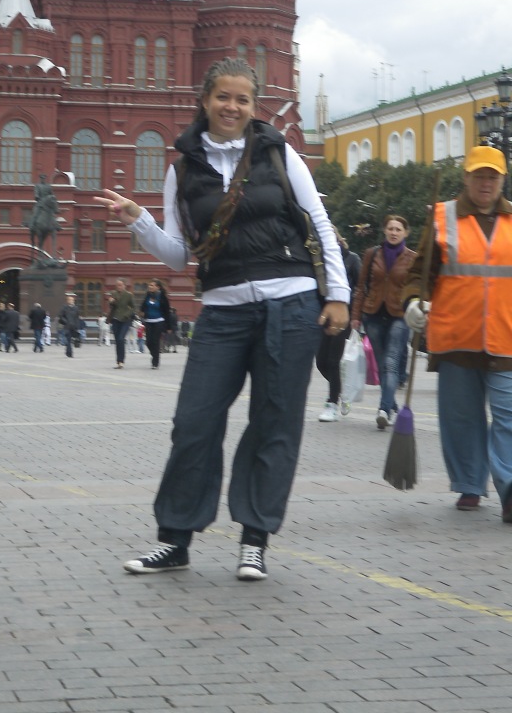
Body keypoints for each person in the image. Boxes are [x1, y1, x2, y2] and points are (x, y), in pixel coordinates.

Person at [94, 56, 349, 580]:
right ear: (205, 100)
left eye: (242, 99)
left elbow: (320, 223)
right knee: (194, 422)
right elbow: (177, 255)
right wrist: (138, 220)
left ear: (254, 106)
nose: (232, 107)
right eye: (223, 97)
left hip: (291, 302)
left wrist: (339, 295)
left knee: (274, 424)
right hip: (223, 310)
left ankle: (254, 540)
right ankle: (175, 541)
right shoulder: (183, 168)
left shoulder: (279, 152)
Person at [402, 146, 512, 521]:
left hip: (507, 338)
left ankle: (510, 490)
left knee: (509, 417)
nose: (486, 183)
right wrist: (413, 301)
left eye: (493, 177)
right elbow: (420, 273)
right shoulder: (442, 216)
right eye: (479, 176)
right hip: (456, 338)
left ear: (502, 180)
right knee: (462, 418)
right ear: (466, 178)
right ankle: (469, 483)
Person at [351, 215, 416, 429]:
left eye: (398, 229)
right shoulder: (372, 254)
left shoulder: (412, 258)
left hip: (400, 315)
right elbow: (361, 286)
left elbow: (416, 289)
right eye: (391, 228)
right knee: (381, 364)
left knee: (390, 362)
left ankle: (384, 410)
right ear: (385, 231)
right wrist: (355, 316)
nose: (394, 232)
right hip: (373, 314)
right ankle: (390, 402)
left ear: (405, 233)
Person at [316, 228, 362, 421]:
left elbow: (360, 288)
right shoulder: (318, 260)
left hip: (344, 315)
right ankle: (342, 390)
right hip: (323, 316)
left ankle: (332, 403)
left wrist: (357, 316)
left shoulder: (352, 259)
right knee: (321, 362)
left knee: (333, 361)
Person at [140, 279, 171, 370]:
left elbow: (167, 312)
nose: (150, 287)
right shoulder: (148, 295)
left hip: (159, 321)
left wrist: (169, 326)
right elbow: (143, 306)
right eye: (149, 285)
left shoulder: (162, 297)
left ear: (158, 287)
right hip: (148, 321)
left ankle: (155, 362)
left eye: (152, 285)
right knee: (148, 342)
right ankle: (155, 355)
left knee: (155, 341)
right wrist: (142, 312)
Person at [108, 279, 135, 368]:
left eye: (120, 285)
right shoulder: (113, 293)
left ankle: (121, 360)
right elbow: (112, 306)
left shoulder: (128, 295)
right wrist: (111, 302)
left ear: (124, 286)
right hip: (115, 319)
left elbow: (133, 307)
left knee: (121, 338)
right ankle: (119, 361)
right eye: (117, 285)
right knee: (117, 341)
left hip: (125, 320)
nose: (118, 287)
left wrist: (127, 314)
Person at [58, 292, 81, 358]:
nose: (71, 301)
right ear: (67, 301)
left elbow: (77, 318)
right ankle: (70, 352)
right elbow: (61, 316)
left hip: (74, 327)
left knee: (73, 340)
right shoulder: (64, 308)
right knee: (68, 340)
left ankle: (68, 351)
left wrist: (77, 327)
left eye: (72, 300)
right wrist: (65, 321)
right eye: (70, 300)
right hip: (67, 326)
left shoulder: (76, 308)